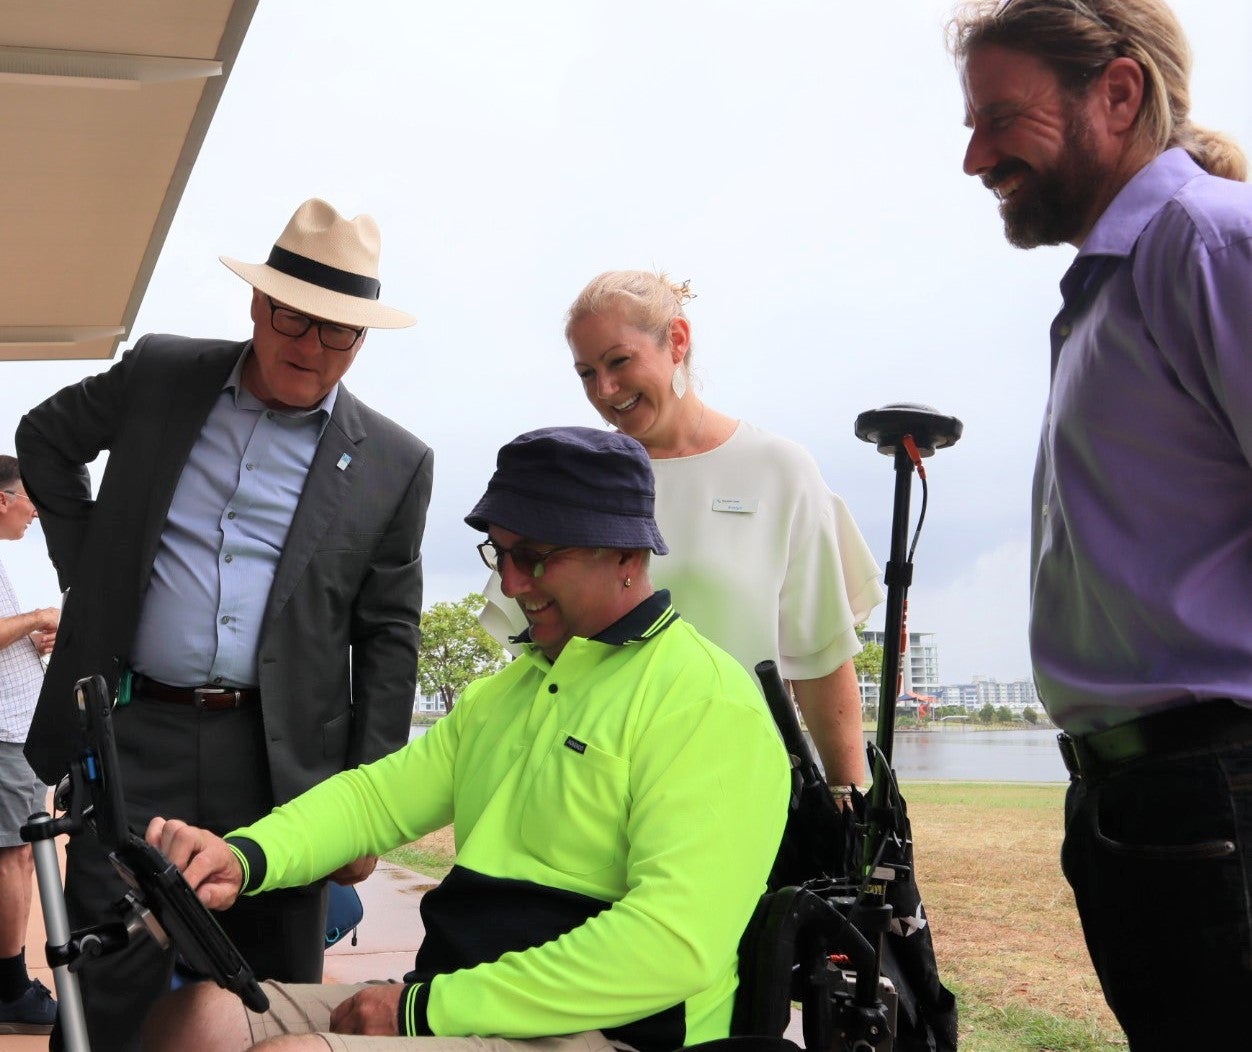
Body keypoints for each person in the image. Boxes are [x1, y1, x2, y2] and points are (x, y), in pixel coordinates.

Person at [138, 425, 790, 1052]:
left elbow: (672, 945)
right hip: (462, 999)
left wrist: (423, 1011)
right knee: (195, 1020)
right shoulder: (506, 693)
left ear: (626, 554)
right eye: (500, 553)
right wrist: (242, 856)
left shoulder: (708, 703)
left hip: (617, 1032)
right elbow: (374, 800)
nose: (510, 583)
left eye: (535, 556)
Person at [16, 198, 434, 1050]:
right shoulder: (164, 374)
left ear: (362, 339)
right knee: (108, 978)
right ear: (257, 302)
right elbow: (44, 438)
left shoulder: (395, 462)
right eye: (294, 317)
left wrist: (370, 806)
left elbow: (389, 637)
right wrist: (93, 570)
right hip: (135, 732)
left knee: (266, 999)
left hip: (284, 765)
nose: (311, 345)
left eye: (338, 330)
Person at [950, 0, 1252, 1045]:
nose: (974, 157)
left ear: (1118, 93)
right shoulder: (1114, 285)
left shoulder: (1209, 244)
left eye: (999, 118)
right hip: (1144, 801)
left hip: (1216, 789)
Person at [483, 272, 884, 797]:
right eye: (586, 373)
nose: (604, 390)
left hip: (740, 788)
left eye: (619, 361)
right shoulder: (572, 481)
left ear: (676, 340)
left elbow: (821, 657)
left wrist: (849, 796)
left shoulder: (778, 469)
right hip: (588, 791)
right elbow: (533, 656)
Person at [0, 459, 59, 1036]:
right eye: (28, 499)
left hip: (16, 732)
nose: (35, 510)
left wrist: (30, 638)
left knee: (15, 854)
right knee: (14, 856)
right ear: (2, 500)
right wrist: (39, 617)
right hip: (6, 735)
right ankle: (11, 990)